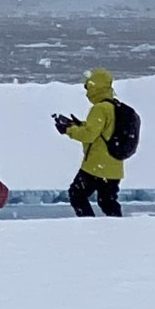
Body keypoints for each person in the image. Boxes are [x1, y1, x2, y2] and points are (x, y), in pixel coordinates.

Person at [56, 68, 124, 218]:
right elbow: (103, 131)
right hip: (114, 165)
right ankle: (119, 228)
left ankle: (88, 225)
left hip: (96, 165)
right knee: (108, 201)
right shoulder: (114, 106)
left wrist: (68, 130)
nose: (86, 91)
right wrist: (80, 125)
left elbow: (89, 135)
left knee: (76, 194)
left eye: (87, 87)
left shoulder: (99, 108)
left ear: (95, 87)